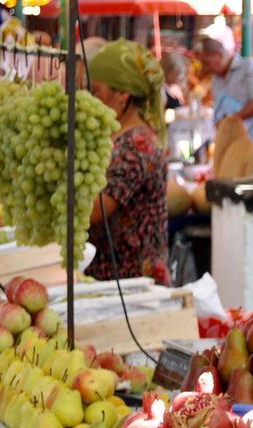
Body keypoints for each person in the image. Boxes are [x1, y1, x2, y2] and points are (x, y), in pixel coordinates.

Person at [87, 40, 170, 285]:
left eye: (97, 92)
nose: (91, 100)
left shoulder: (137, 144)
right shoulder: (119, 137)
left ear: (122, 94)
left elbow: (94, 210)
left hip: (134, 288)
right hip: (115, 281)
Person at [196, 23, 253, 142]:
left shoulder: (249, 68)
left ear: (219, 55)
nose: (205, 68)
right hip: (231, 143)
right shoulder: (216, 79)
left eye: (207, 63)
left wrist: (231, 121)